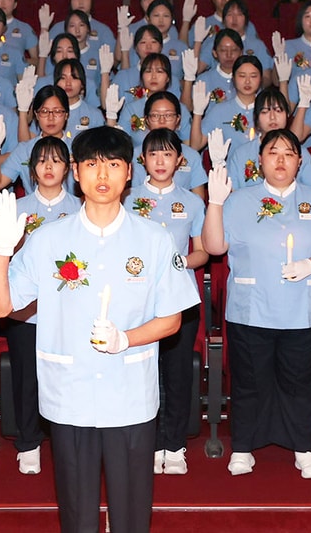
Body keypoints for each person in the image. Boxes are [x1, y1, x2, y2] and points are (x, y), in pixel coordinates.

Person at [0, 126, 199, 533]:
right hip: (71, 392)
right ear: (76, 172)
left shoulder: (154, 239)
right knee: (77, 511)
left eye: (114, 165)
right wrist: (0, 253)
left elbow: (172, 319)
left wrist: (126, 339)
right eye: (92, 165)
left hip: (130, 394)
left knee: (131, 512)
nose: (103, 175)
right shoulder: (48, 239)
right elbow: (0, 307)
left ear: (129, 173)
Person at [202, 128, 311, 479]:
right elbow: (214, 247)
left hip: (305, 309)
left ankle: (301, 447)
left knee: (300, 381)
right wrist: (215, 203)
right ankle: (242, 446)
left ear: (300, 161)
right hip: (252, 308)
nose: (280, 159)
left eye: (288, 153)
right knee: (250, 380)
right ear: (260, 161)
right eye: (272, 152)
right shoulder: (238, 200)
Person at [0, 136, 79, 474]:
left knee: (67, 378)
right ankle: (29, 442)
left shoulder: (81, 208)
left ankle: (69, 441)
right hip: (24, 310)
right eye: (42, 161)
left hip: (69, 312)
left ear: (68, 169)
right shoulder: (15, 207)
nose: (49, 167)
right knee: (26, 378)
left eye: (56, 160)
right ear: (31, 169)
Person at [130, 128, 208, 476]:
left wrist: (183, 261)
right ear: (142, 160)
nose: (160, 161)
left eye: (167, 154)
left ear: (180, 160)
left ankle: (174, 445)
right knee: (142, 374)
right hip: (137, 299)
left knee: (177, 374)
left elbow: (203, 251)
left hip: (180, 298)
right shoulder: (127, 199)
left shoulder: (192, 202)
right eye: (153, 154)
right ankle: (146, 443)